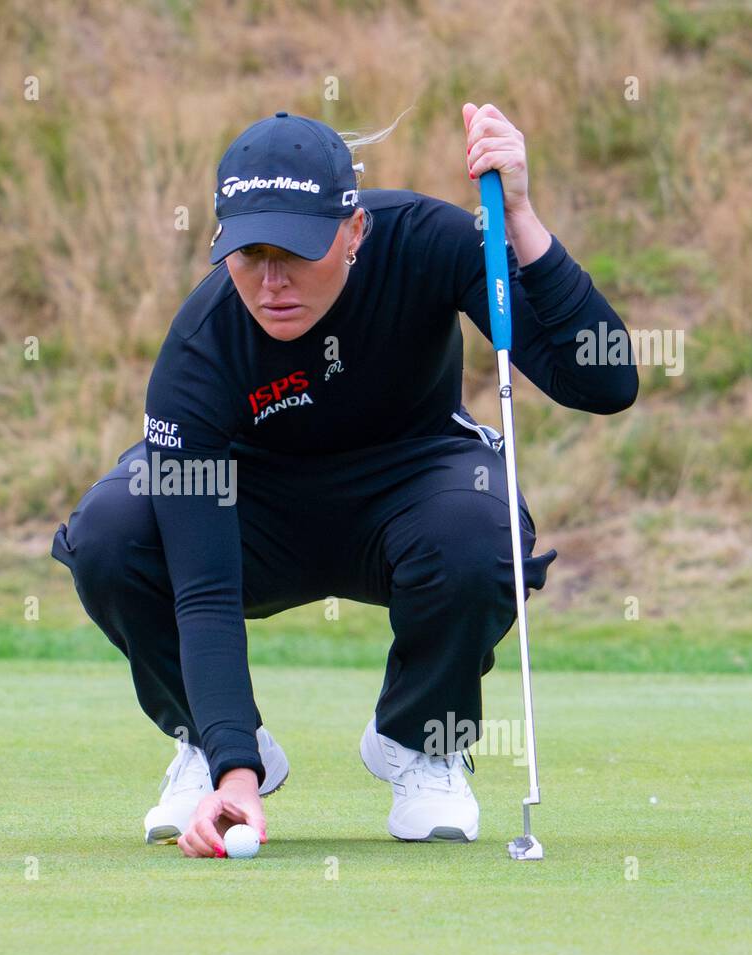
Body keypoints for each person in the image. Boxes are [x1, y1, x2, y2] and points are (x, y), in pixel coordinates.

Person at [50, 104, 637, 857]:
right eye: (249, 251)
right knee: (110, 534)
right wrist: (236, 767)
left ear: (355, 230)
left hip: (415, 485)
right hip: (250, 511)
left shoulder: (427, 243)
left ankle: (419, 739)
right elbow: (201, 589)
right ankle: (209, 743)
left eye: (296, 250)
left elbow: (606, 380)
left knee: (479, 530)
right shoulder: (199, 354)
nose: (271, 281)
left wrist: (520, 219)